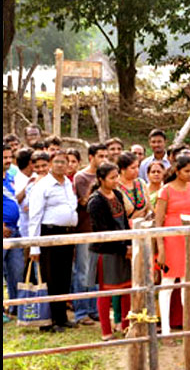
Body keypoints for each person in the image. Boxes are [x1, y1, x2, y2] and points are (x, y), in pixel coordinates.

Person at [29, 150, 78, 332]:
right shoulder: (42, 186)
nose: (59, 165)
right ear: (50, 164)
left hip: (67, 234)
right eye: (56, 162)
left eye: (63, 162)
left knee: (64, 277)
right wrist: (34, 247)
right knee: (50, 278)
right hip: (49, 234)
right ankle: (48, 321)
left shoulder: (67, 184)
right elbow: (35, 217)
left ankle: (61, 317)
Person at [155, 155, 190, 341]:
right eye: (186, 171)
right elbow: (158, 220)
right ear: (177, 170)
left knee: (187, 285)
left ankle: (189, 327)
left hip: (187, 238)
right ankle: (165, 330)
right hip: (171, 238)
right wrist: (161, 248)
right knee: (167, 285)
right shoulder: (165, 191)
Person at [86, 163, 132, 341]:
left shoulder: (118, 194)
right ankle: (106, 331)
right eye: (112, 178)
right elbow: (103, 229)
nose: (116, 181)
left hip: (123, 249)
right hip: (106, 251)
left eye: (116, 177)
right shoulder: (96, 201)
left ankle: (126, 325)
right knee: (106, 292)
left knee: (127, 289)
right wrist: (123, 248)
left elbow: (124, 222)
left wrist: (128, 244)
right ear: (101, 179)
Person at [72, 144, 109, 326]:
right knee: (82, 271)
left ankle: (94, 309)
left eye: (105, 156)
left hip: (99, 231)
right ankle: (81, 311)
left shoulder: (107, 176)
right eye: (100, 156)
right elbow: (85, 202)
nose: (104, 159)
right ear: (91, 157)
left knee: (94, 273)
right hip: (85, 230)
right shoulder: (81, 177)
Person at [3, 144, 24, 320]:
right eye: (4, 158)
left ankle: (15, 306)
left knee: (16, 270)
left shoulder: (10, 176)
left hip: (15, 231)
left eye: (10, 157)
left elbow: (13, 200)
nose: (8, 160)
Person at [117, 152, 151, 222]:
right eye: (133, 168)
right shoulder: (116, 187)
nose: (137, 170)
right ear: (122, 170)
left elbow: (149, 206)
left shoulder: (141, 183)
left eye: (137, 167)